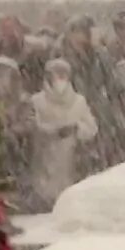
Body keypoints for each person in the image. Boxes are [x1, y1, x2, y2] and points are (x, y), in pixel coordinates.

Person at [26, 57, 99, 207]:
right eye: (56, 74)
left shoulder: (79, 101)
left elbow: (92, 128)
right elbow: (33, 127)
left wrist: (76, 128)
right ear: (48, 77)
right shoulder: (37, 101)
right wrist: (54, 132)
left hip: (70, 163)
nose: (60, 79)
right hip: (45, 162)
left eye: (63, 74)